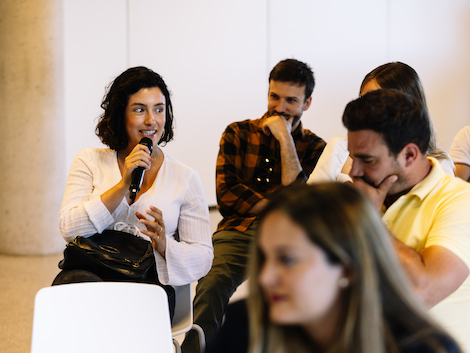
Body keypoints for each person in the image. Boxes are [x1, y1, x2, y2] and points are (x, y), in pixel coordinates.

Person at [207, 183, 461, 353]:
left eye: (287, 260)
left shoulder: (425, 347)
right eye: (265, 258)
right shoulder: (244, 324)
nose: (265, 278)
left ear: (348, 268)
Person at [182, 59, 326, 352]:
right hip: (240, 230)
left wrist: (286, 139)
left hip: (291, 236)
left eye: (291, 100)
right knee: (212, 284)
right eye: (274, 97)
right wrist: (280, 204)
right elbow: (226, 196)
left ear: (307, 103)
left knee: (302, 290)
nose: (280, 107)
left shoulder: (315, 147)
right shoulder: (237, 132)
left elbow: (299, 201)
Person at [53, 67, 214, 317]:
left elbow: (203, 257)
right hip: (92, 271)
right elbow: (69, 229)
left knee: (116, 314)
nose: (151, 120)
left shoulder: (185, 177)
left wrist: (163, 243)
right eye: (140, 109)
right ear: (120, 115)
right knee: (74, 293)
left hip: (149, 283)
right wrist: (121, 186)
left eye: (159, 109)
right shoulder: (89, 160)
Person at [343, 89, 470, 352]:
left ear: (410, 155)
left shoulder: (460, 202)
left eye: (367, 159)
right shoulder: (361, 195)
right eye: (352, 156)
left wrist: (369, 220)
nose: (353, 171)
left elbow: (422, 291)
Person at [308, 62, 454, 184]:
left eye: (377, 103)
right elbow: (305, 209)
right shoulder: (339, 147)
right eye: (363, 101)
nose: (366, 111)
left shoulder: (437, 165)